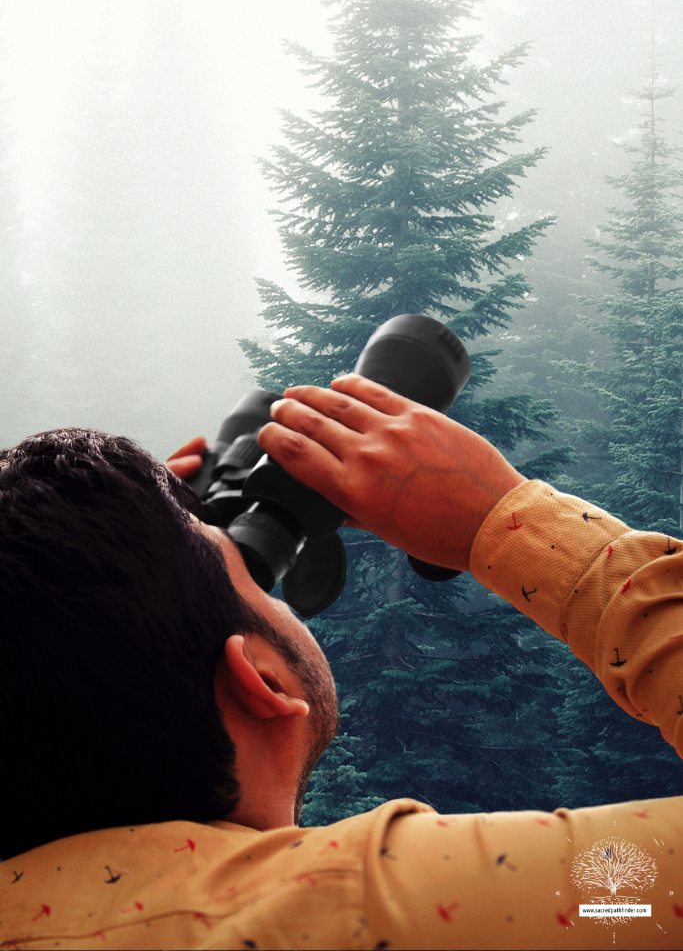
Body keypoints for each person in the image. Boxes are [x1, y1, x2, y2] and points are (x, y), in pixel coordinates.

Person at [0, 374, 681, 951]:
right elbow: (646, 898)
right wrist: (502, 521)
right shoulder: (367, 904)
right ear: (262, 682)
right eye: (250, 574)